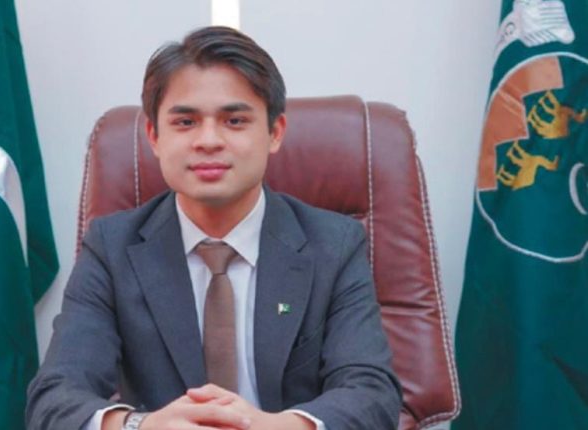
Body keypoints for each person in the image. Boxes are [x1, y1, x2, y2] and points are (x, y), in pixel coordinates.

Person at [26, 26, 402, 430]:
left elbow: (370, 393)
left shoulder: (334, 245)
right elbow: (55, 397)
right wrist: (142, 426)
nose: (208, 140)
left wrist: (275, 427)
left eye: (234, 120)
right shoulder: (111, 248)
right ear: (154, 136)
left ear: (275, 133)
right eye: (185, 121)